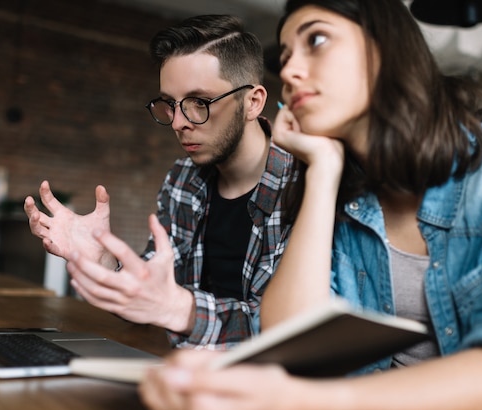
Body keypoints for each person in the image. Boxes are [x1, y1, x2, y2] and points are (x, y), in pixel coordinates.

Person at [138, 0, 482, 410]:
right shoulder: (338, 192)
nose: (289, 70)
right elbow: (289, 343)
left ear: (387, 49)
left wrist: (295, 401)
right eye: (285, 57)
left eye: (316, 40)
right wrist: (323, 170)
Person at [23, 14, 295, 349]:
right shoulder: (182, 179)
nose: (179, 122)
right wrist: (102, 260)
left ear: (253, 102)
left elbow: (286, 331)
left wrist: (181, 310)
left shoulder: (303, 187)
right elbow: (149, 299)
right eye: (170, 104)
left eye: (200, 103)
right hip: (185, 377)